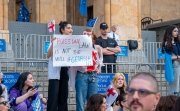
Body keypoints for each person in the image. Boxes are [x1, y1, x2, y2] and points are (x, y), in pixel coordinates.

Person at [69, 28, 103, 111]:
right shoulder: (78, 47)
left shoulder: (97, 47)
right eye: (85, 34)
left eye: (89, 34)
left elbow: (101, 60)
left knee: (94, 101)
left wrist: (99, 68)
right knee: (80, 100)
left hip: (93, 75)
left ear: (93, 36)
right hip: (82, 74)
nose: (87, 35)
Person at [47, 21, 73, 111]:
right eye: (68, 28)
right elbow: (48, 55)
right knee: (53, 98)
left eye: (71, 28)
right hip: (55, 74)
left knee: (63, 98)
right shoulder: (55, 39)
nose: (71, 30)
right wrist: (53, 44)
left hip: (65, 73)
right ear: (62, 30)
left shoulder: (73, 42)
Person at [162, 25, 180, 95]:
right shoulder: (167, 43)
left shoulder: (177, 42)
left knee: (178, 86)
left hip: (179, 65)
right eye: (175, 31)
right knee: (174, 86)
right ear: (170, 32)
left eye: (177, 31)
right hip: (174, 66)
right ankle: (171, 103)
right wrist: (178, 57)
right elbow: (167, 57)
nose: (177, 33)